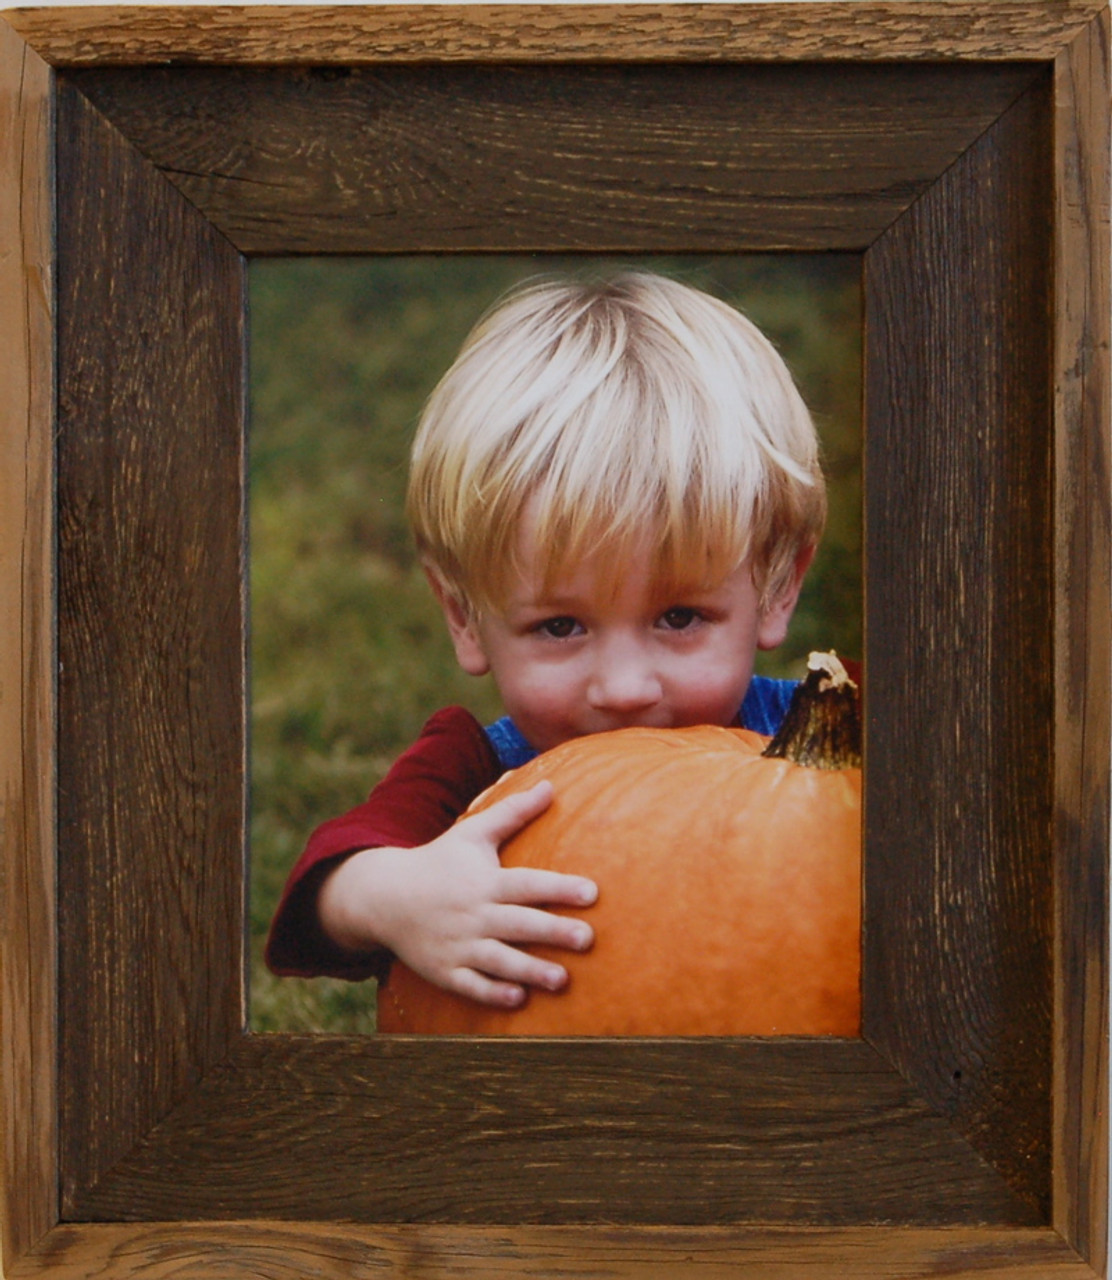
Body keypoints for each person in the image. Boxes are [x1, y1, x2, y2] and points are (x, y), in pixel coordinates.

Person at [265, 271, 826, 1011]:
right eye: (560, 627)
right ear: (465, 618)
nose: (625, 687)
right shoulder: (476, 770)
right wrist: (395, 895)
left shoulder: (822, 740)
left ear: (779, 585)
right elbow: (326, 888)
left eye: (680, 616)